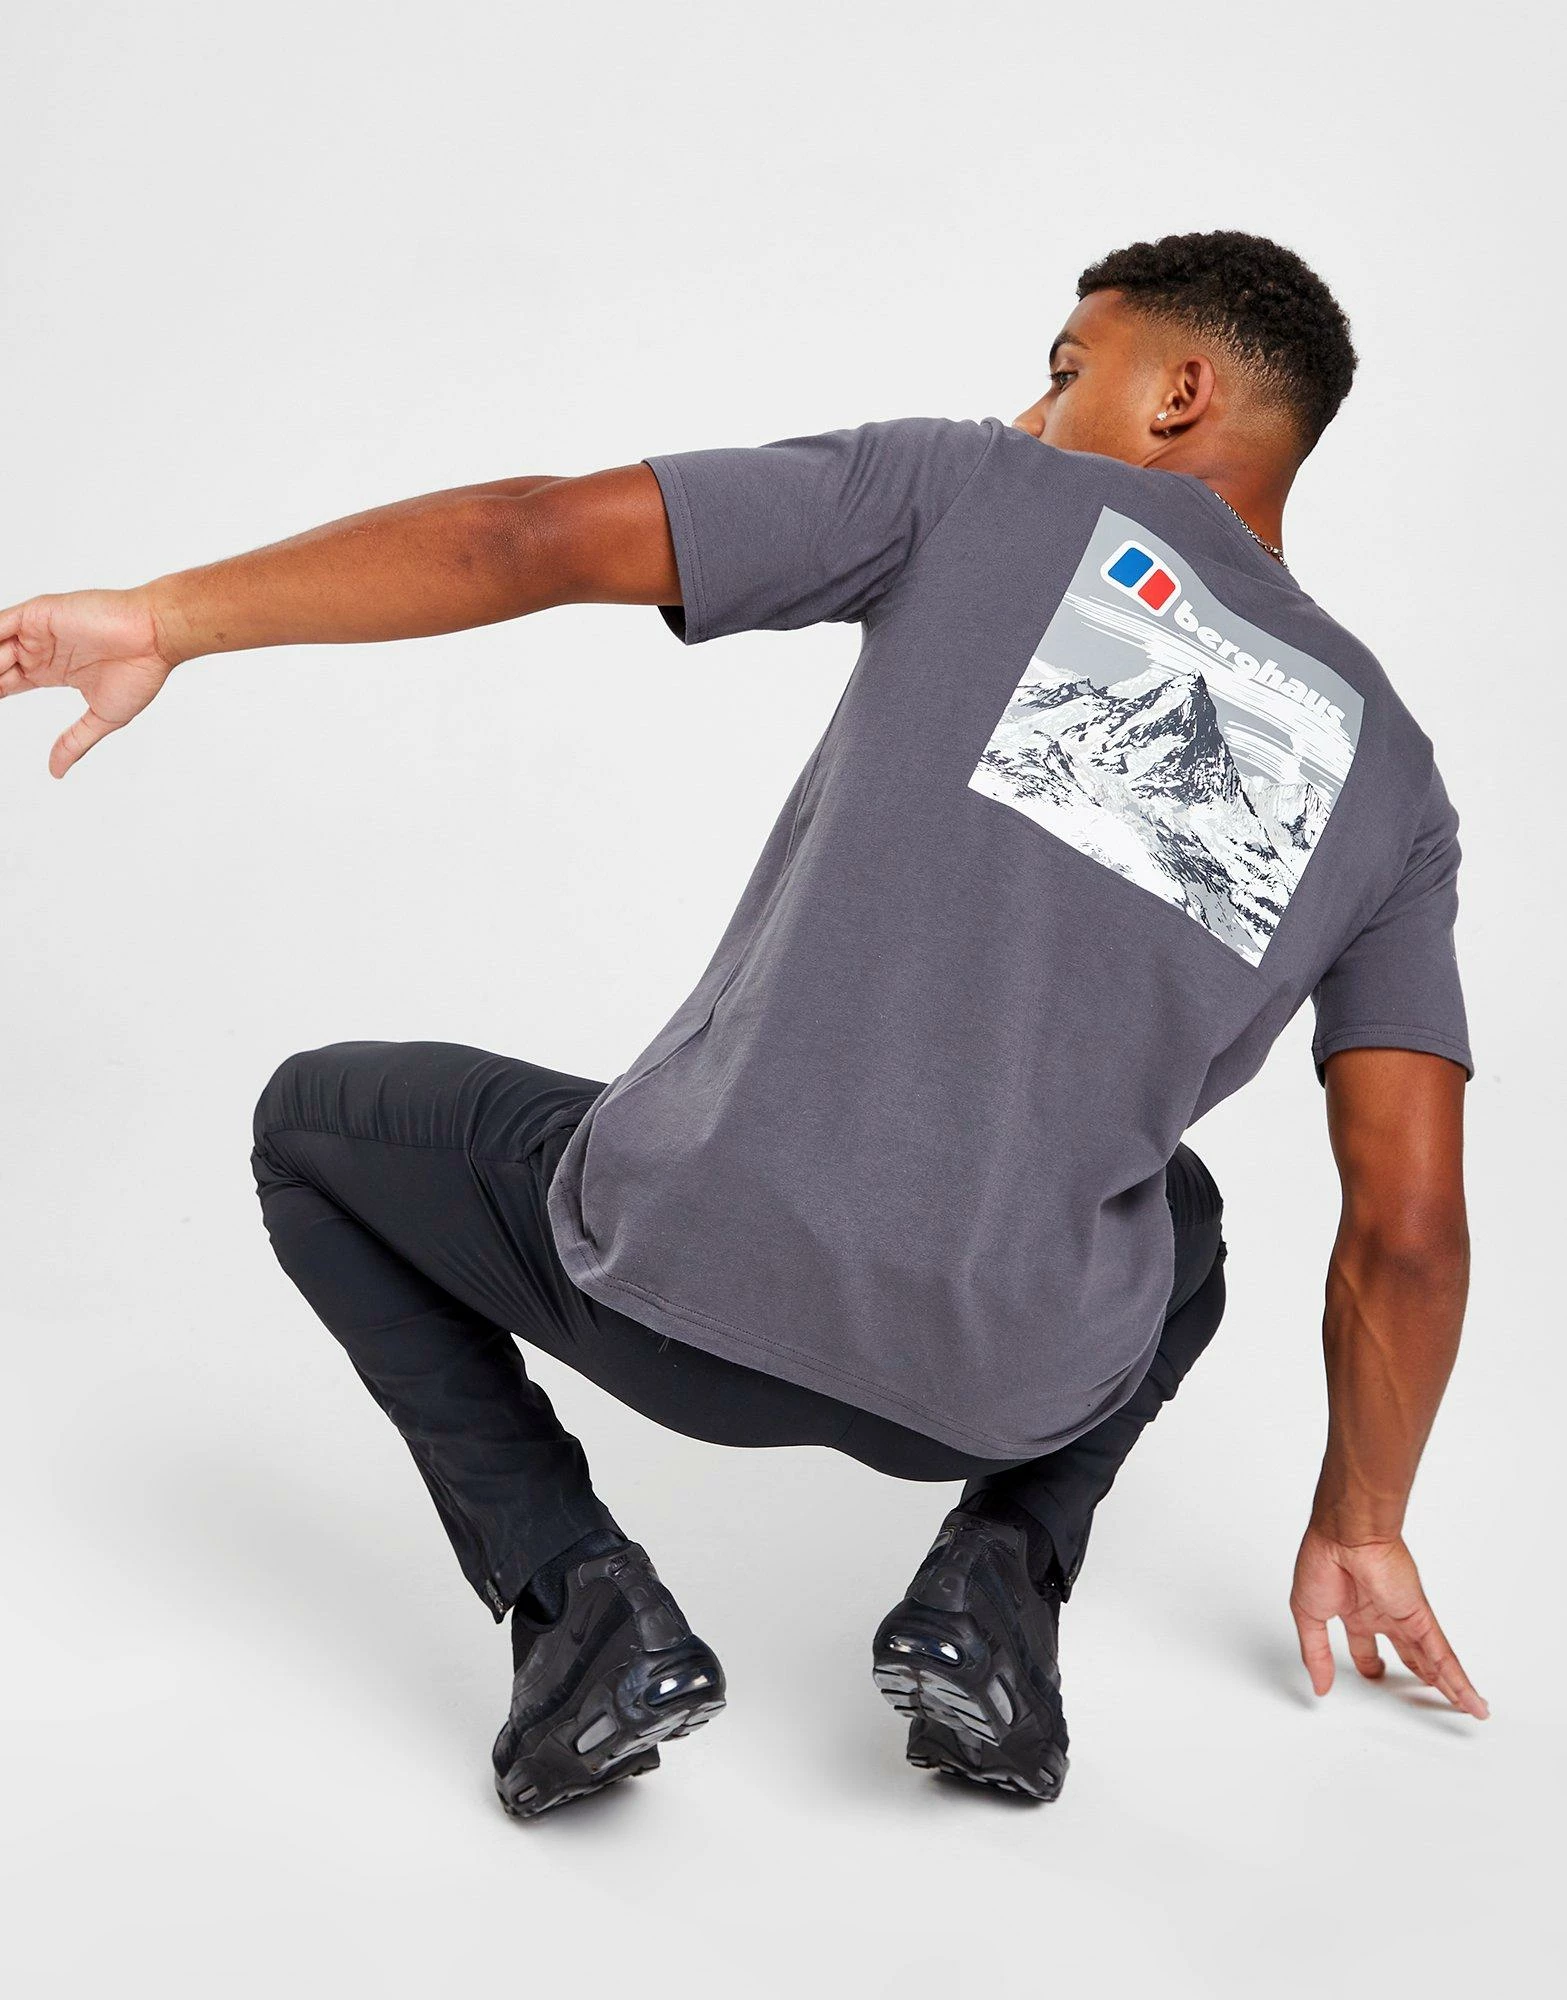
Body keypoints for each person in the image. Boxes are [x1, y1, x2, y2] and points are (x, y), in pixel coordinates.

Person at [0, 229, 1487, 1818]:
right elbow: (1404, 1234)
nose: (1029, 409)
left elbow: (525, 536)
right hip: (992, 1389)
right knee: (1173, 1225)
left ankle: (579, 1610)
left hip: (677, 1295)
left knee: (309, 1129)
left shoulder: (979, 488)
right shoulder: (1394, 785)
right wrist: (1362, 1521)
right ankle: (996, 1591)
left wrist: (167, 617)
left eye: (1066, 371)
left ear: (1178, 394)